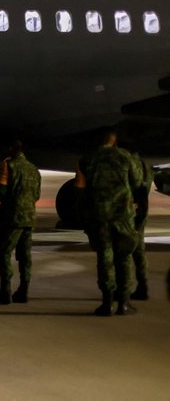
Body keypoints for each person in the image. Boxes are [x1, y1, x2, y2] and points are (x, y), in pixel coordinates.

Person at [74, 128, 142, 316]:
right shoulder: (125, 156)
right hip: (122, 214)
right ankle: (124, 302)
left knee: (104, 256)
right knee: (124, 256)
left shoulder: (88, 158)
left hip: (98, 214)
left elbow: (82, 182)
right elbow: (137, 182)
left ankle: (107, 302)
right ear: (114, 140)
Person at [0, 140, 41, 305]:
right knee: (25, 256)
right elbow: (37, 194)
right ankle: (23, 290)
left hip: (12, 217)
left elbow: (0, 191)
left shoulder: (7, 166)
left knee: (3, 252)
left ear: (10, 150)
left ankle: (5, 291)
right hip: (29, 218)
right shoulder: (34, 169)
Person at [128, 149, 153, 301]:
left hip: (127, 210)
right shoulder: (146, 165)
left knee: (120, 250)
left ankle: (121, 288)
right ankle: (143, 284)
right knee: (139, 249)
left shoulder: (126, 163)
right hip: (141, 209)